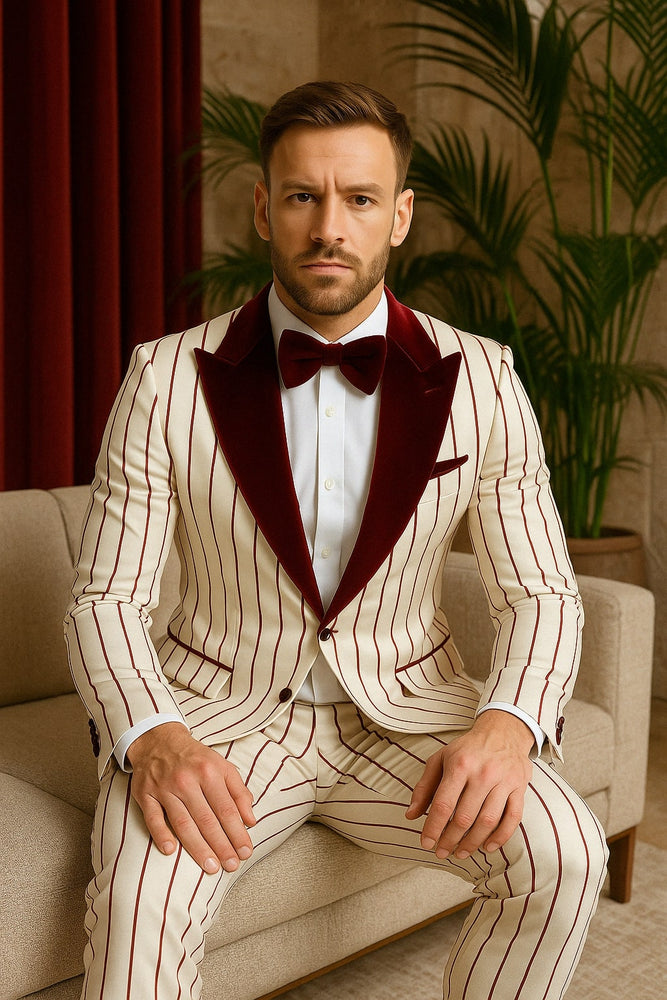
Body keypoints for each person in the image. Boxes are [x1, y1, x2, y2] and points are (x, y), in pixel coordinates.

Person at [65, 80, 608, 1000]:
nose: (328, 227)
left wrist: (508, 725)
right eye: (301, 197)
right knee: (138, 903)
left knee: (565, 852)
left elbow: (541, 592)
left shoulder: (483, 378)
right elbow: (106, 597)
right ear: (262, 211)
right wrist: (151, 734)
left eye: (358, 199)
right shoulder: (163, 378)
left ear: (399, 216)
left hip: (409, 715)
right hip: (215, 718)